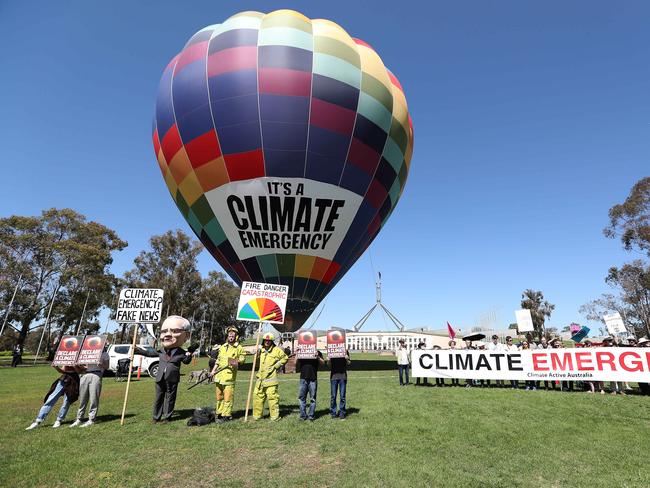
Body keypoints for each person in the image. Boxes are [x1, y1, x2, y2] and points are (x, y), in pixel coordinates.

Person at [153, 315, 193, 422]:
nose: (167, 335)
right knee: (158, 398)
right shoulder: (161, 350)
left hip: (172, 378)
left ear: (186, 336)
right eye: (164, 331)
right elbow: (149, 352)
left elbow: (186, 361)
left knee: (170, 398)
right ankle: (156, 417)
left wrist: (189, 355)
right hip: (160, 377)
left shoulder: (182, 352)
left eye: (175, 331)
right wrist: (137, 350)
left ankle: (167, 417)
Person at [210, 326, 246, 423]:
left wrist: (233, 361)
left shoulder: (239, 348)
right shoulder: (222, 347)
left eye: (233, 335)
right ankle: (220, 413)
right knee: (219, 396)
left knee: (227, 397)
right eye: (229, 334)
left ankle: (226, 415)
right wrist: (213, 371)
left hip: (229, 377)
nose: (231, 336)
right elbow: (218, 360)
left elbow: (242, 359)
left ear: (236, 337)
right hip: (219, 377)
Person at [26, 366, 80, 430]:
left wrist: (75, 366)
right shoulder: (67, 357)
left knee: (66, 401)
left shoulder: (79, 357)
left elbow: (81, 371)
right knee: (51, 399)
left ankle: (59, 420)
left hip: (74, 380)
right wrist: (56, 367)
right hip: (64, 378)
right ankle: (38, 420)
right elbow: (62, 370)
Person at [70, 346, 110, 428]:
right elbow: (84, 367)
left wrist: (101, 364)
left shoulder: (104, 354)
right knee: (82, 398)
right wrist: (78, 365)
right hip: (85, 374)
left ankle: (91, 419)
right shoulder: (86, 352)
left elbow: (107, 366)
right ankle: (79, 419)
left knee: (94, 398)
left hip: (96, 374)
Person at [253, 333, 288, 421]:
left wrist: (275, 366)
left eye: (269, 341)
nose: (267, 342)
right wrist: (256, 354)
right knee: (257, 398)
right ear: (263, 341)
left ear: (271, 341)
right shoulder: (261, 350)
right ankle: (257, 416)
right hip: (260, 380)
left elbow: (285, 358)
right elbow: (256, 362)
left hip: (271, 380)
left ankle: (274, 417)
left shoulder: (276, 350)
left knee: (272, 399)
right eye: (265, 340)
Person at [296, 349, 324, 421]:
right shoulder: (302, 351)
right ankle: (303, 416)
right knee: (302, 398)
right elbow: (294, 363)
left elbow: (323, 363)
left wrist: (317, 356)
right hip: (303, 378)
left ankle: (311, 415)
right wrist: (297, 354)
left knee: (313, 399)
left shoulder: (318, 352)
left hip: (313, 378)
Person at [329, 349, 351, 419]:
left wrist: (347, 359)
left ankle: (342, 413)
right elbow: (328, 364)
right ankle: (333, 413)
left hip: (343, 376)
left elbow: (349, 363)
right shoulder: (331, 349)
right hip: (334, 376)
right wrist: (329, 360)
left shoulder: (345, 350)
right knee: (333, 396)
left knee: (342, 396)